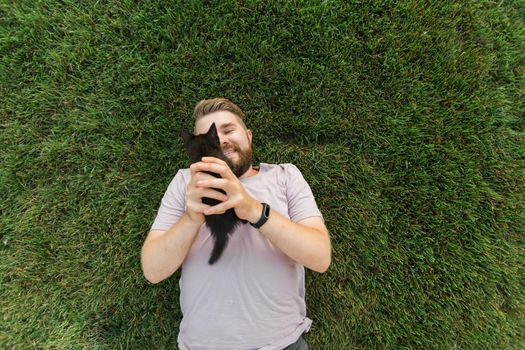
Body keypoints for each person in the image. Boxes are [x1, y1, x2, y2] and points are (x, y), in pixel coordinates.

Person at [141, 98, 331, 350]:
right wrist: (190, 219)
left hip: (283, 344)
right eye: (209, 137)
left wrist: (254, 210)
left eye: (228, 130)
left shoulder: (285, 176)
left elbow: (320, 258)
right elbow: (153, 271)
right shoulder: (183, 183)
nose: (220, 141)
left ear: (248, 136)